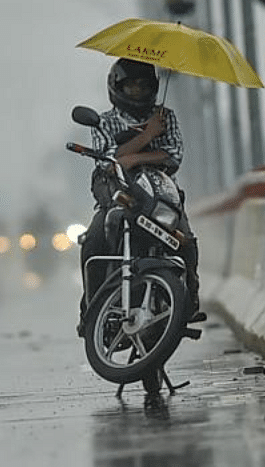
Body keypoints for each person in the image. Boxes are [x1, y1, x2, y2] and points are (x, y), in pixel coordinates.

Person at [77, 58, 203, 335]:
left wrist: (132, 156)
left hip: (160, 196)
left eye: (144, 85)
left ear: (154, 87)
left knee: (186, 241)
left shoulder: (165, 116)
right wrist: (148, 136)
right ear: (117, 87)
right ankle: (90, 310)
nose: (138, 91)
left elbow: (173, 156)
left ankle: (190, 299)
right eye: (131, 86)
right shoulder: (104, 122)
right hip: (119, 197)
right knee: (93, 240)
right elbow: (110, 160)